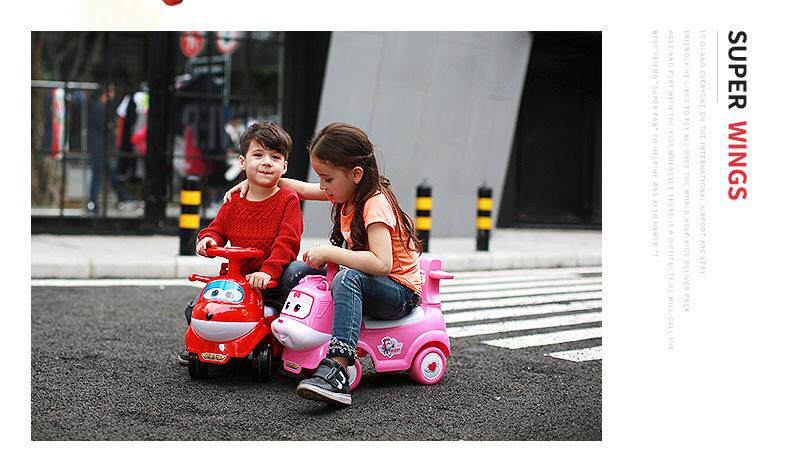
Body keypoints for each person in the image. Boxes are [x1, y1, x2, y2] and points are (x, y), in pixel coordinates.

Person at [225, 122, 423, 406]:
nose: (322, 187)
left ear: (356, 174)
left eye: (327, 179)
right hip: (367, 278)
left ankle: (338, 368)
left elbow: (381, 263)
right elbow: (298, 187)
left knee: (347, 279)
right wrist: (250, 183)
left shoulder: (374, 203)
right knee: (294, 271)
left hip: (398, 292)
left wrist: (331, 253)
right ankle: (286, 338)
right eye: (320, 178)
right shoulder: (347, 190)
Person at [177, 121, 303, 365]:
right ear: (243, 162)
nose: (267, 162)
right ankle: (205, 342)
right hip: (237, 283)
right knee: (196, 309)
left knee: (280, 318)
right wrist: (209, 240)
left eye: (275, 157)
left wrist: (268, 272)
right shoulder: (234, 200)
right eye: (258, 155)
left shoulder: (288, 199)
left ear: (284, 166)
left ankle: (278, 348)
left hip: (272, 284)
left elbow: (287, 242)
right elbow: (217, 228)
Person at [86, 83, 133, 214]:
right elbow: (103, 127)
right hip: (98, 147)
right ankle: (93, 202)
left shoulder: (102, 107)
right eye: (112, 91)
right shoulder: (99, 107)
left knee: (110, 173)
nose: (113, 94)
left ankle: (122, 196)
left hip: (102, 147)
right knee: (98, 175)